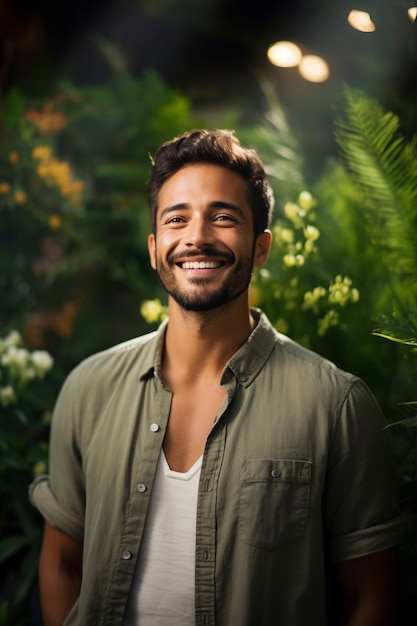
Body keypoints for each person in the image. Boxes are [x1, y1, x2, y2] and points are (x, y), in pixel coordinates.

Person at [30, 129, 405, 626]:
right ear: (154, 246)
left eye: (223, 217)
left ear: (262, 247)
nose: (197, 237)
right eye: (176, 219)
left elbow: (373, 596)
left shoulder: (336, 405)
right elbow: (61, 562)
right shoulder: (89, 388)